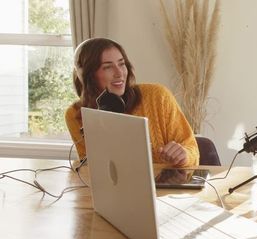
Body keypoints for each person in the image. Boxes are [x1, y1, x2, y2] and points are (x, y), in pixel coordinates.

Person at [65, 38, 199, 169]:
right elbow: (90, 169)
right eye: (107, 67)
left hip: (166, 188)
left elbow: (192, 149)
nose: (119, 73)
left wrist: (183, 155)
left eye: (121, 64)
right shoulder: (76, 114)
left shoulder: (158, 96)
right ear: (87, 76)